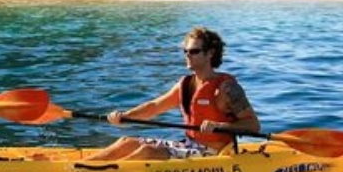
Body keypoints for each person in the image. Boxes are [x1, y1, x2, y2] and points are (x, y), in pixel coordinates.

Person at [85, 27, 260, 161]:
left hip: (215, 153)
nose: (188, 56)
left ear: (210, 53)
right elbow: (154, 107)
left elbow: (253, 125)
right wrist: (124, 116)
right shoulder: (185, 84)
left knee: (148, 152)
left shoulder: (227, 88)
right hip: (190, 145)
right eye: (186, 51)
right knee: (127, 142)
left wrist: (220, 126)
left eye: (194, 51)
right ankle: (82, 167)